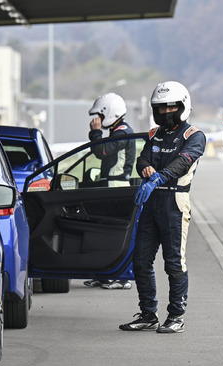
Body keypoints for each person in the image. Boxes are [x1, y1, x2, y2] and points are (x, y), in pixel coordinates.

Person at [119, 81, 206, 333]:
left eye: (171, 107)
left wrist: (158, 176)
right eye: (161, 108)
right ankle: (148, 314)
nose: (166, 112)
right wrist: (144, 167)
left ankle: (176, 316)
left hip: (175, 202)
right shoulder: (154, 134)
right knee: (141, 260)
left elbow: (183, 161)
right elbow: (143, 157)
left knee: (174, 263)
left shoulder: (194, 136)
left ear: (183, 106)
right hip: (151, 201)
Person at [83, 92, 136, 290]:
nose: (98, 120)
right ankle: (106, 274)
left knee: (116, 233)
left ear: (110, 113)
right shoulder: (118, 132)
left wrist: (95, 133)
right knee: (105, 232)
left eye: (101, 116)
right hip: (110, 187)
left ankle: (122, 277)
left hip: (117, 188)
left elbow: (101, 151)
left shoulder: (122, 132)